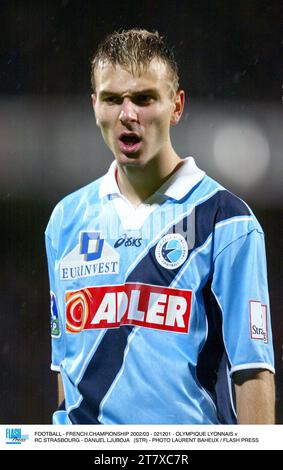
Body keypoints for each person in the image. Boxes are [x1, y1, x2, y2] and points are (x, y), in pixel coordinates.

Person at [45, 29, 275, 425]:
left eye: (144, 98)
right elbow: (65, 368)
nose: (127, 114)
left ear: (176, 105)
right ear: (95, 105)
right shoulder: (66, 221)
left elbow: (252, 371)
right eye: (113, 99)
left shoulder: (225, 221)